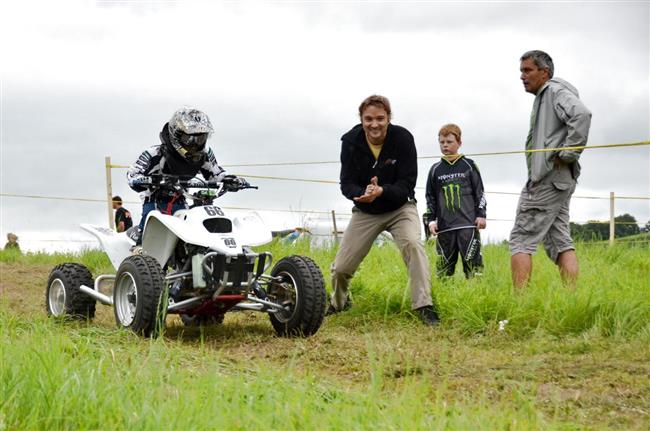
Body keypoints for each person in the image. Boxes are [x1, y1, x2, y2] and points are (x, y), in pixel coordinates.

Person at [328, 95, 439, 325]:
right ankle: (338, 303)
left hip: (400, 207)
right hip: (366, 211)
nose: (374, 124)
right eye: (368, 119)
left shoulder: (403, 139)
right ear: (361, 119)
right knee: (340, 268)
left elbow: (407, 182)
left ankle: (424, 305)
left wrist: (382, 191)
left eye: (380, 118)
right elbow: (346, 182)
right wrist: (360, 194)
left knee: (413, 245)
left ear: (389, 118)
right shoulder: (350, 141)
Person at [510, 50, 592, 288]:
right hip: (560, 180)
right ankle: (572, 298)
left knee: (521, 239)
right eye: (521, 71)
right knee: (559, 240)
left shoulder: (554, 91)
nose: (522, 76)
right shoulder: (548, 95)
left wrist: (568, 153)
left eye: (527, 71)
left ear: (544, 72)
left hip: (547, 179)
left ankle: (520, 303)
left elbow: (582, 115)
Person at [127, 107, 243, 244]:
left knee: (193, 233)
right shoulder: (154, 153)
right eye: (189, 138)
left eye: (200, 139)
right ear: (176, 135)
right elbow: (132, 175)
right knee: (150, 226)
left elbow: (216, 173)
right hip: (155, 200)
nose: (194, 145)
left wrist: (230, 179)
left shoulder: (205, 154)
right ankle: (138, 250)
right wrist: (153, 179)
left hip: (181, 200)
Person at [424, 124, 487, 279]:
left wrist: (481, 215)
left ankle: (476, 298)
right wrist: (431, 221)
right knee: (443, 271)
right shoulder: (435, 169)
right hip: (445, 228)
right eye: (442, 142)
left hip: (468, 225)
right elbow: (430, 196)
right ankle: (446, 299)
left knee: (473, 268)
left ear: (459, 143)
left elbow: (480, 192)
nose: (445, 145)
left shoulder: (469, 165)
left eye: (449, 141)